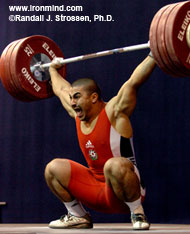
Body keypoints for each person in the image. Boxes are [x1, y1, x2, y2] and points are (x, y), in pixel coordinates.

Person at [44, 53, 156, 230]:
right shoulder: (78, 113)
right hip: (96, 190)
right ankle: (78, 216)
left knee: (114, 165)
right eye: (72, 98)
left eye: (77, 97)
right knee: (53, 168)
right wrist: (51, 69)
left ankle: (137, 212)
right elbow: (61, 90)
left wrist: (154, 54)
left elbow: (133, 82)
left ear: (94, 98)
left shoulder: (114, 111)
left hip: (124, 191)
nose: (72, 102)